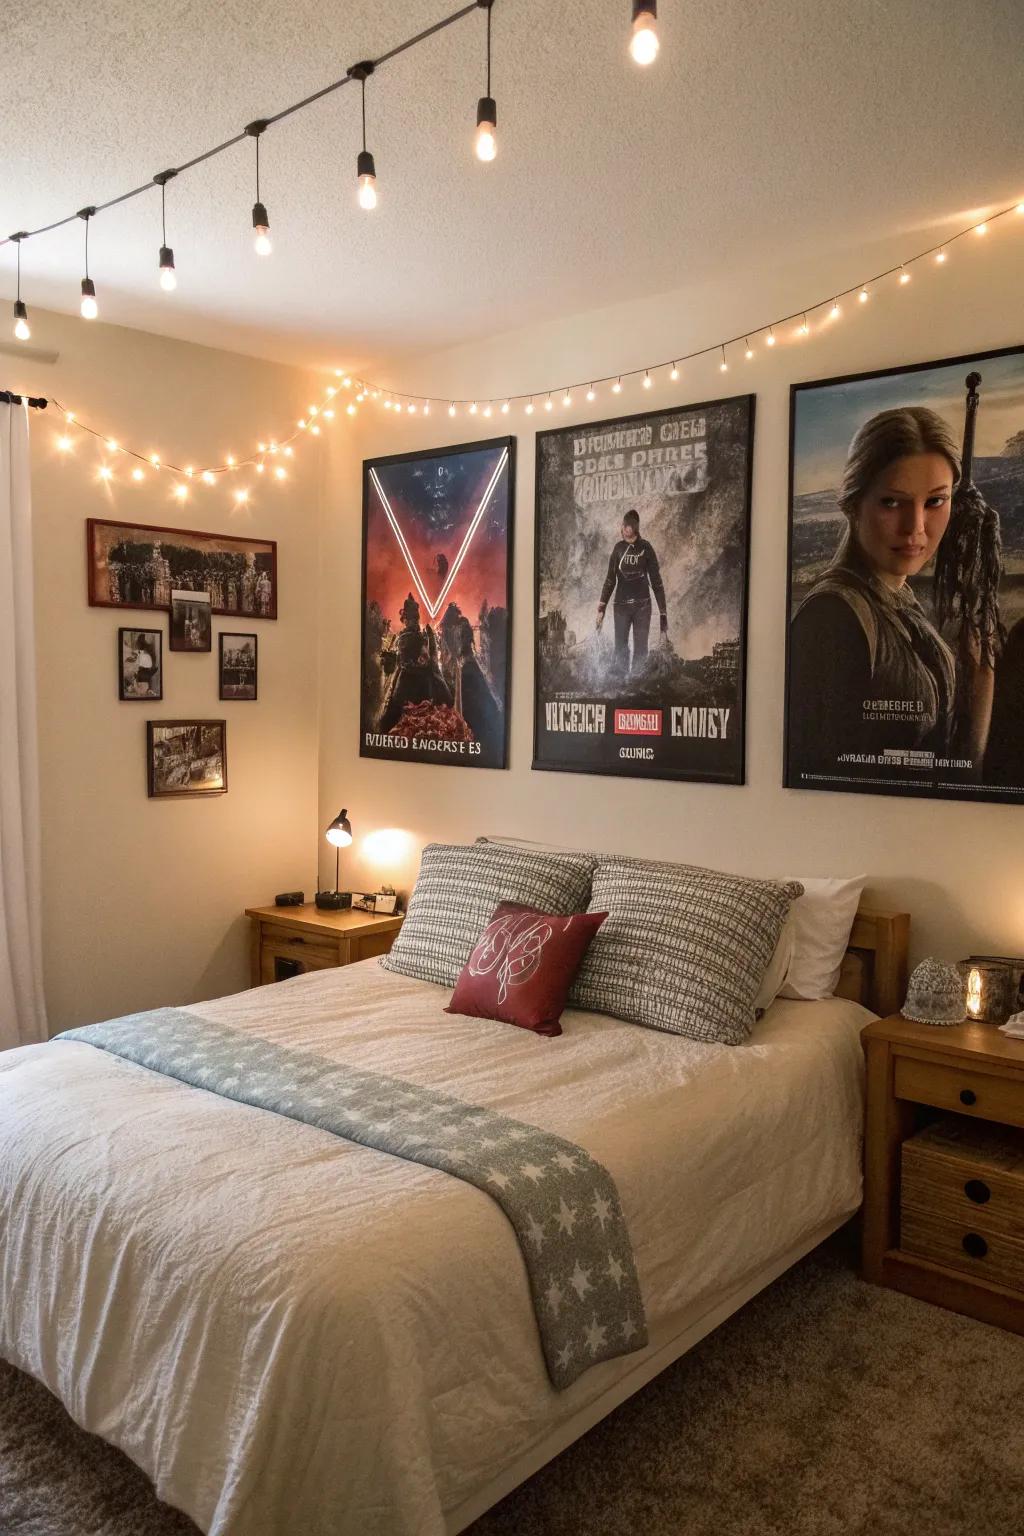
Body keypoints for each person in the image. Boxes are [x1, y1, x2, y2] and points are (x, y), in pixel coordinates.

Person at [788, 406, 994, 781]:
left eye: (935, 502)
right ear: (853, 503)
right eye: (891, 502)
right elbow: (819, 778)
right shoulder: (834, 616)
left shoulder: (903, 605)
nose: (915, 527)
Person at [595, 509, 668, 674]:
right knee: (620, 648)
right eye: (623, 525)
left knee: (641, 650)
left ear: (633, 528)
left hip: (642, 607)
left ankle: (638, 689)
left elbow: (657, 583)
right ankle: (620, 689)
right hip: (621, 607)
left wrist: (663, 613)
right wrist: (601, 608)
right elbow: (610, 579)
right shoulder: (618, 548)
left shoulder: (646, 548)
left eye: (626, 526)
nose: (623, 528)